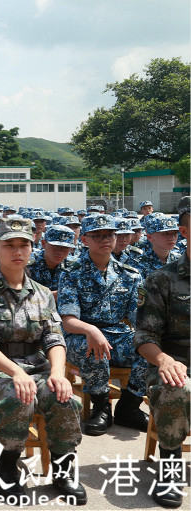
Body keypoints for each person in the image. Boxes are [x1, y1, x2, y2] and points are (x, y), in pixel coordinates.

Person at [0, 218, 86, 503]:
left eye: (24, 245)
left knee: (65, 398)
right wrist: (15, 373)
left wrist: (58, 373)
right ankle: (7, 465)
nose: (17, 251)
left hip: (37, 367)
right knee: (18, 395)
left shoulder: (43, 294)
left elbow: (54, 338)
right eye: (9, 245)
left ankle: (63, 469)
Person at [58, 214, 148, 436]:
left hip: (118, 333)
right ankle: (101, 408)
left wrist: (149, 339)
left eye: (109, 235)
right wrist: (92, 330)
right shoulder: (72, 273)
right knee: (95, 348)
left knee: (148, 349)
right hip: (81, 334)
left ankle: (129, 406)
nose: (104, 240)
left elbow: (139, 319)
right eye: (97, 236)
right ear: (85, 240)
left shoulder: (130, 275)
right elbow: (68, 321)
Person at [134, 207, 190, 509]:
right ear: (184, 233)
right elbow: (144, 338)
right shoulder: (161, 280)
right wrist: (165, 360)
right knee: (177, 386)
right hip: (173, 361)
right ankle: (169, 467)